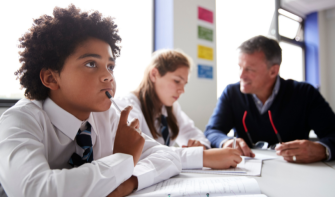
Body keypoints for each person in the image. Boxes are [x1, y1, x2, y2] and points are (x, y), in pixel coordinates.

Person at [0, 5, 182, 197]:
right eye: (91, 64)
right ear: (51, 78)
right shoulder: (19, 121)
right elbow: (35, 191)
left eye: (110, 66)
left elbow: (168, 156)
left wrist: (128, 182)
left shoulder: (107, 117)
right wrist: (123, 159)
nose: (108, 77)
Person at [205, 35, 335, 163]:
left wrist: (322, 150)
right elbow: (212, 131)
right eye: (240, 67)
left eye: (249, 69)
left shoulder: (305, 93)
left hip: (296, 173)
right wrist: (225, 142)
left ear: (273, 71)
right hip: (246, 172)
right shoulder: (231, 93)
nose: (241, 75)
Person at [115, 49, 242, 170]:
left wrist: (199, 145)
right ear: (154, 74)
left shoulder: (171, 108)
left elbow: (195, 134)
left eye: (184, 84)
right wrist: (202, 157)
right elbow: (143, 152)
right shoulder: (127, 106)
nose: (182, 90)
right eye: (177, 81)